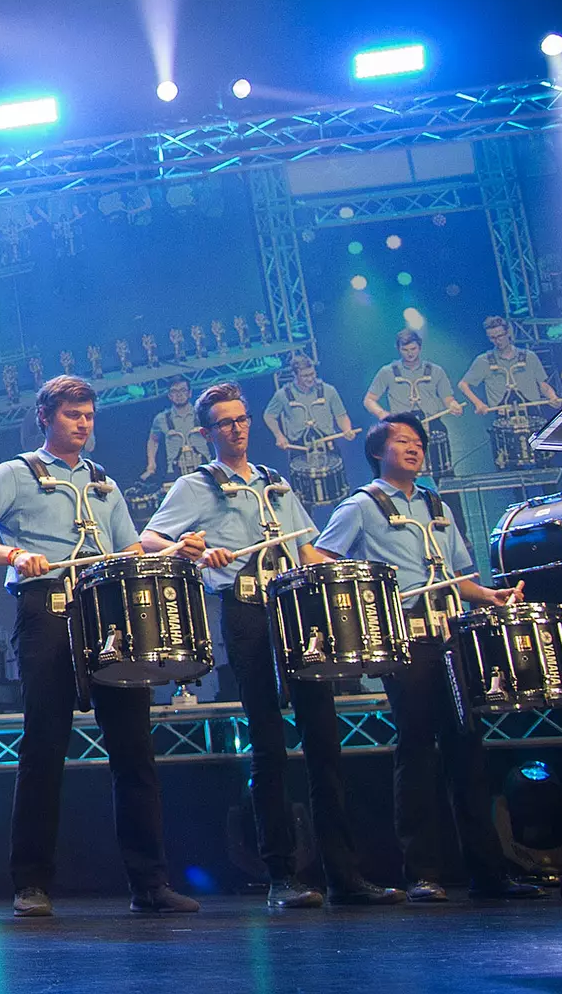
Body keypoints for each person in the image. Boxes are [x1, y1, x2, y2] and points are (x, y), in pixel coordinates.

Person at [140, 382, 400, 908]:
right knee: (268, 746)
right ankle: (282, 874)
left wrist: (361, 578)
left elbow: (307, 550)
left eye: (242, 419)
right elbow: (149, 539)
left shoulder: (276, 482)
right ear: (207, 433)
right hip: (246, 609)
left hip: (299, 613)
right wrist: (192, 551)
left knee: (324, 742)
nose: (237, 428)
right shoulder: (197, 485)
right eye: (226, 423)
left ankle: (345, 876)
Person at [0, 375, 199, 917]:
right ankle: (31, 883)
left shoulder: (104, 483)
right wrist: (14, 555)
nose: (84, 424)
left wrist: (174, 554)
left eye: (88, 415)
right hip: (49, 613)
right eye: (72, 415)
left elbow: (130, 550)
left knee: (134, 750)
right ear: (46, 417)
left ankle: (150, 883)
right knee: (44, 748)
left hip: (111, 617)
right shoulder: (14, 472)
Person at [315, 413, 544, 901]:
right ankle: (422, 872)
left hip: (452, 638)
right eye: (402, 441)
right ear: (378, 451)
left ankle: (489, 871)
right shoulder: (361, 505)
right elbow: (319, 559)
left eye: (418, 442)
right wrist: (368, 598)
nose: (414, 448)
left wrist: (490, 596)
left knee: (467, 749)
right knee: (417, 751)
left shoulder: (435, 503)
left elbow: (459, 575)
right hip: (409, 641)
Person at [363, 329, 464, 479]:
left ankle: (448, 501)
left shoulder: (435, 371)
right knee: (404, 474)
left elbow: (448, 398)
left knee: (444, 474)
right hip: (403, 429)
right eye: (405, 350)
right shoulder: (387, 372)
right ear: (398, 349)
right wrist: (384, 415)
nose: (410, 353)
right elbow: (369, 400)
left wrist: (453, 405)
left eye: (413, 349)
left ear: (420, 347)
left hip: (433, 425)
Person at [458, 315, 559, 415]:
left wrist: (552, 396)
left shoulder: (529, 356)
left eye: (500, 336)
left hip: (532, 412)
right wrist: (478, 403)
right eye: (492, 338)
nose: (497, 341)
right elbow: (463, 384)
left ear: (508, 333)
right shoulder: (483, 361)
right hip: (503, 416)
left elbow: (543, 385)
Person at [144, 376, 208, 481]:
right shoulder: (161, 418)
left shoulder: (202, 413)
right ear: (169, 395)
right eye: (174, 391)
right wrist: (151, 464)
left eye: (183, 390)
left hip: (204, 467)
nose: (179, 394)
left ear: (189, 393)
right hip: (176, 471)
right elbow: (153, 440)